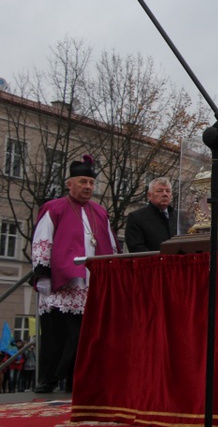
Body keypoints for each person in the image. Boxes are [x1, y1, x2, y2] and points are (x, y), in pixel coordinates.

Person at [31, 154, 117, 393]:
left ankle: (75, 379)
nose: (88, 187)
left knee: (84, 336)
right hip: (62, 282)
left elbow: (110, 245)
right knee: (57, 335)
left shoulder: (100, 212)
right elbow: (43, 242)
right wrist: (43, 275)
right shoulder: (54, 208)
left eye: (91, 183)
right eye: (82, 182)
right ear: (69, 184)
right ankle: (48, 380)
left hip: (91, 282)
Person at [125, 177, 177, 252]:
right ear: (149, 195)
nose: (165, 194)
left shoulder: (178, 217)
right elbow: (136, 247)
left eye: (168, 191)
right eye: (160, 191)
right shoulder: (136, 218)